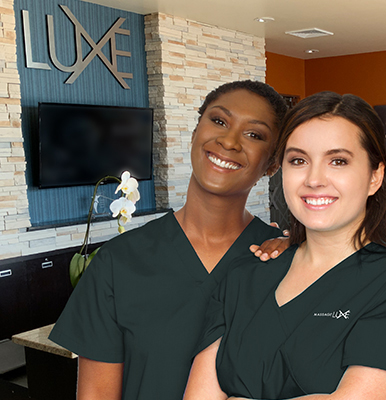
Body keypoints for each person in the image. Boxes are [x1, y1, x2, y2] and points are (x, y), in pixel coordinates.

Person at [184, 92, 386, 400]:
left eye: (338, 161)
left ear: (375, 176)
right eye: (299, 160)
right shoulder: (244, 276)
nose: (314, 179)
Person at [49, 80, 288, 400]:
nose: (229, 141)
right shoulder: (118, 262)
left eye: (254, 134)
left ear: (272, 163)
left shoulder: (288, 261)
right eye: (219, 121)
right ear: (195, 132)